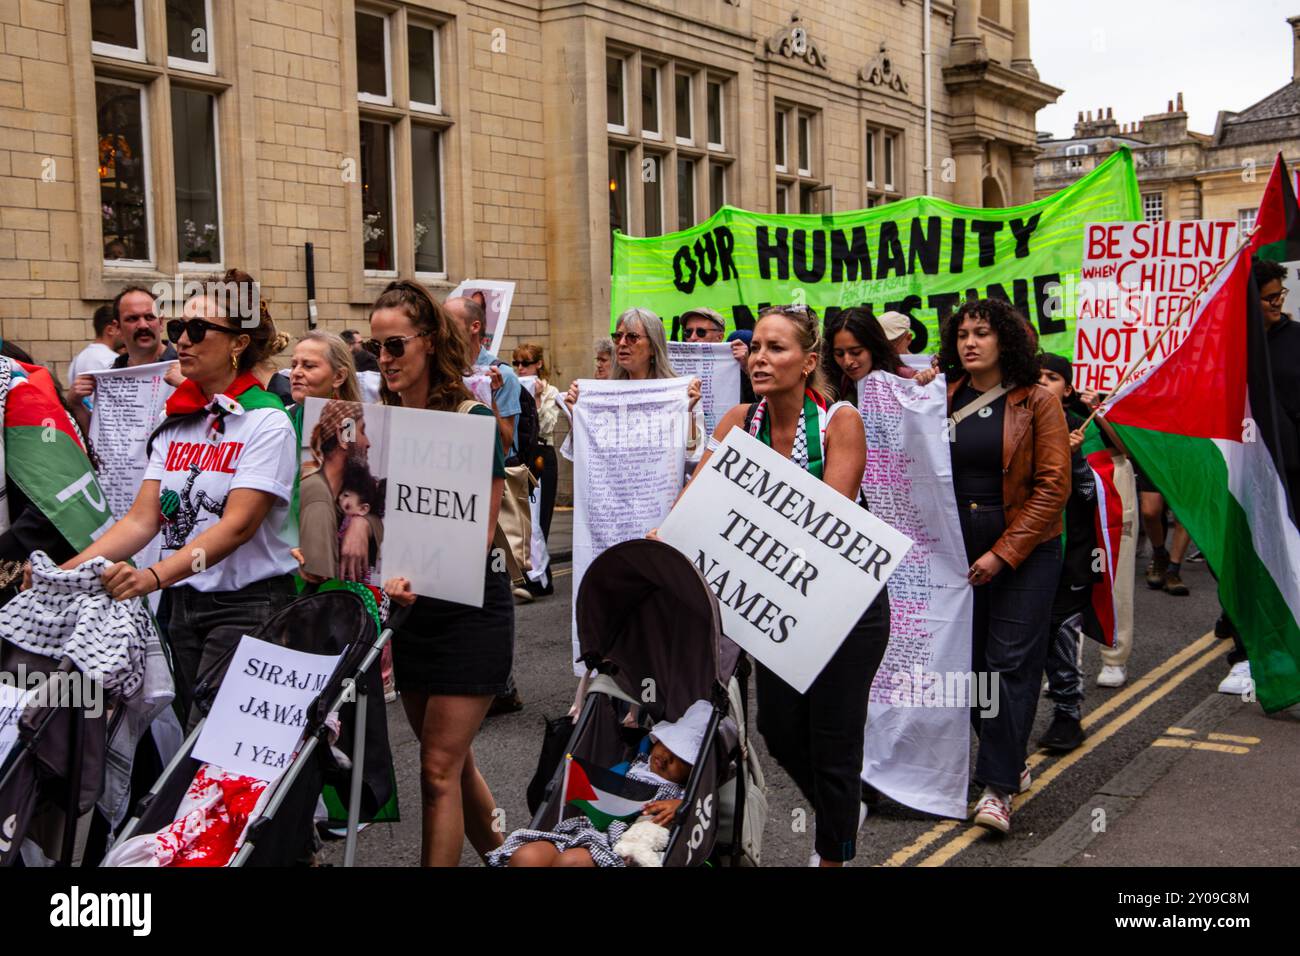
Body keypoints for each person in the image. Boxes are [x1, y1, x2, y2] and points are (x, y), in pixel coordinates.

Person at [663, 303, 890, 866]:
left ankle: (832, 852)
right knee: (779, 730)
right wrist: (660, 541)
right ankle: (843, 808)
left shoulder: (840, 421)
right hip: (778, 609)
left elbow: (827, 522)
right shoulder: (736, 422)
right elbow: (694, 501)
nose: (760, 358)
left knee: (835, 741)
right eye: (757, 347)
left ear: (808, 360)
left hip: (843, 609)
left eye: (776, 348)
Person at [57, 271, 297, 725]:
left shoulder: (267, 421)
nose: (182, 340)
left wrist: (152, 576)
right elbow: (141, 521)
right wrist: (64, 573)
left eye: (197, 330)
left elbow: (238, 527)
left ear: (238, 344)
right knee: (193, 747)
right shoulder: (180, 420)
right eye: (178, 330)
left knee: (218, 747)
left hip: (248, 604)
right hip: (182, 604)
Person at [367, 279, 512, 867]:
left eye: (395, 345)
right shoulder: (378, 422)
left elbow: (477, 535)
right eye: (377, 348)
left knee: (435, 769)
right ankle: (508, 857)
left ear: (428, 342)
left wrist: (411, 574)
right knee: (452, 761)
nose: (384, 360)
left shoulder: (472, 418)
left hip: (470, 611)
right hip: (411, 613)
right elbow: (366, 521)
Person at [939, 298, 1070, 834]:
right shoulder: (941, 396)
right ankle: (1008, 755)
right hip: (956, 551)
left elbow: (1053, 487)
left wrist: (1003, 552)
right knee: (969, 670)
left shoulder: (1037, 400)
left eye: (983, 334)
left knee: (1008, 665)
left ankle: (997, 790)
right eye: (963, 334)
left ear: (1006, 341)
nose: (970, 342)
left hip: (1027, 549)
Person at [488, 701, 710, 868]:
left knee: (570, 863)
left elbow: (700, 811)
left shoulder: (684, 793)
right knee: (526, 857)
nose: (667, 756)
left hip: (623, 846)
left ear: (693, 771)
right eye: (666, 745)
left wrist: (683, 803)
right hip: (583, 829)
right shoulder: (632, 765)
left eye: (681, 758)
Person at [1036, 354, 1097, 752]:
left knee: (1061, 632)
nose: (1043, 382)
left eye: (1052, 377)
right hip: (1023, 550)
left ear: (1068, 389)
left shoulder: (1081, 428)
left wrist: (1074, 459)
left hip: (1067, 552)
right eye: (1036, 376)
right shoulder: (1020, 420)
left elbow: (1094, 495)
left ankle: (1067, 713)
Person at [70, 286, 182, 412]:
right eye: (132, 319)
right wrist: (76, 405)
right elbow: (101, 429)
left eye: (150, 317)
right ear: (117, 328)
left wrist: (189, 388)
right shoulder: (111, 376)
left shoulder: (187, 369)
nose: (143, 325)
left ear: (161, 323)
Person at [512, 343, 560, 599]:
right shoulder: (513, 389)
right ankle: (540, 576)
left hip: (542, 455)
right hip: (522, 456)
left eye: (526, 363)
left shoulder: (551, 391)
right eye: (516, 363)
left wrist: (538, 398)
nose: (521, 369)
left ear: (538, 364)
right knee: (524, 517)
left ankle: (537, 577)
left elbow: (547, 425)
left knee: (538, 518)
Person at [823, 307, 936, 404]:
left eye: (856, 352)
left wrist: (919, 383)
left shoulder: (905, 378)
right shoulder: (835, 384)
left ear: (873, 347)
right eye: (839, 354)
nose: (847, 361)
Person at [681, 306, 749, 368]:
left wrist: (745, 366)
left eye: (701, 332)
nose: (692, 337)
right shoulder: (676, 363)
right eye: (688, 332)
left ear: (719, 337)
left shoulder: (738, 361)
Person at [877, 310, 922, 377]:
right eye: (880, 344)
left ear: (908, 338)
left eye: (891, 344)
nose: (885, 350)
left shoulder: (924, 367)